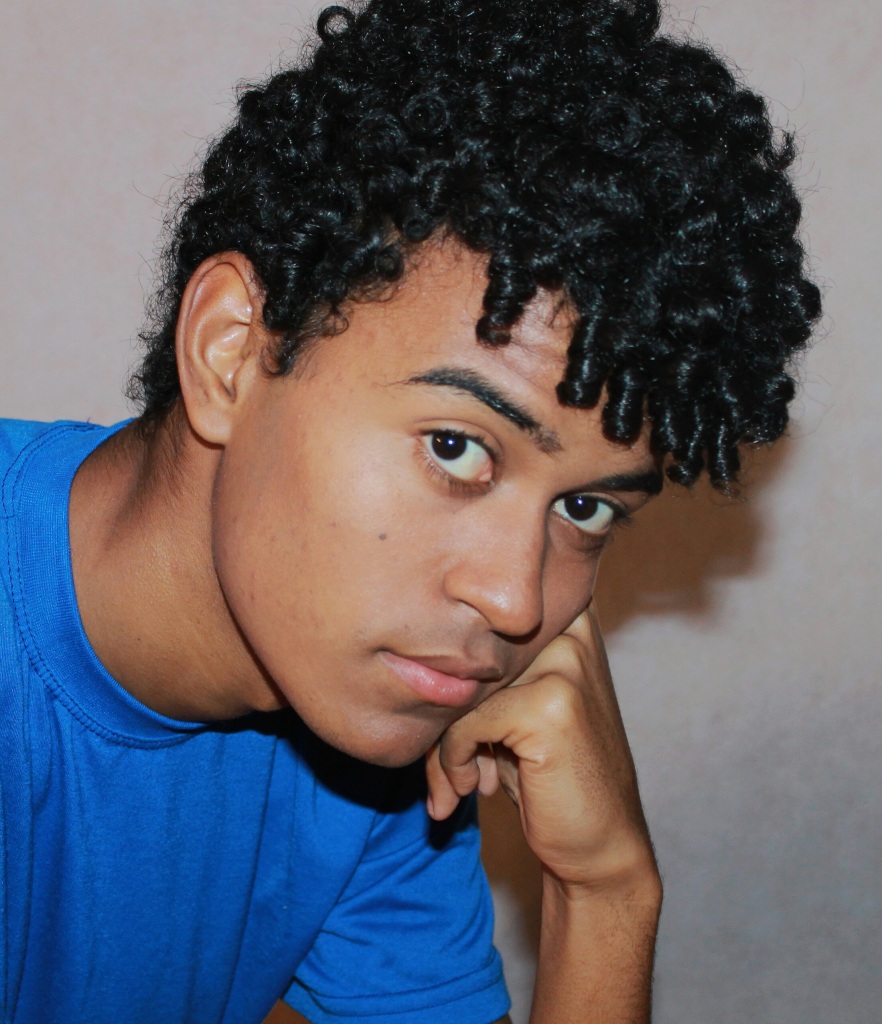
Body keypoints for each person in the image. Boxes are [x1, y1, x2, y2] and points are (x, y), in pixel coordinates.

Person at [0, 0, 820, 1021]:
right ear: (229, 351)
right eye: (456, 447)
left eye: (585, 508)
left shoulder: (364, 748)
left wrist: (607, 894)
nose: (515, 600)